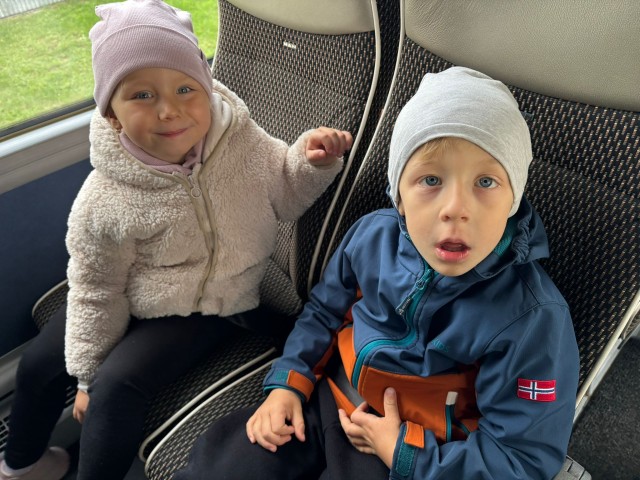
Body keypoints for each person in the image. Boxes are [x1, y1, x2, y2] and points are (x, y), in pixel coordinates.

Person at [0, 1, 353, 479]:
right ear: (112, 115)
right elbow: (97, 290)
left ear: (206, 88)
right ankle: (23, 465)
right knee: (40, 362)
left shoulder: (240, 140)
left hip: (214, 300)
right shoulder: (103, 201)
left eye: (186, 88)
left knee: (114, 387)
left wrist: (311, 162)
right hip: (133, 290)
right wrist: (84, 372)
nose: (169, 110)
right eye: (142, 95)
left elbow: (285, 193)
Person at [173, 66, 580, 480]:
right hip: (329, 396)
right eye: (431, 179)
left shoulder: (531, 318)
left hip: (418, 448)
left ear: (514, 199)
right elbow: (324, 313)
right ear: (398, 193)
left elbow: (521, 458)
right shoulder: (372, 237)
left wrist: (407, 453)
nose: (456, 209)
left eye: (486, 182)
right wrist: (288, 382)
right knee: (230, 464)